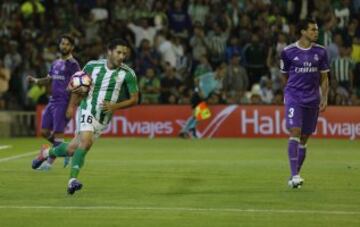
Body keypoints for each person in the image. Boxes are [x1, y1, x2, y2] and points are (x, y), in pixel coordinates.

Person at [31, 39, 139, 195]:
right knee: (86, 143)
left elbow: (134, 99)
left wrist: (114, 107)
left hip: (103, 119)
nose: (122, 56)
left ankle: (46, 153)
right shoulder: (92, 66)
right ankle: (72, 181)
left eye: (124, 54)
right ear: (109, 51)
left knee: (71, 149)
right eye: (119, 52)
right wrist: (71, 105)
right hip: (87, 109)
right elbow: (75, 85)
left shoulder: (128, 73)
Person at [280, 19, 329, 188]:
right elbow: (285, 76)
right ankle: (294, 176)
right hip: (294, 97)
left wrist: (324, 97)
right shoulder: (288, 52)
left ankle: (295, 174)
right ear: (303, 31)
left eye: (317, 29)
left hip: (312, 98)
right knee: (295, 130)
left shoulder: (321, 52)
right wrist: (289, 93)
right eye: (313, 29)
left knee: (305, 137)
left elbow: (324, 78)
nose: (316, 32)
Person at [28, 34, 80, 170]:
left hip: (63, 102)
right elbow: (49, 78)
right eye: (62, 43)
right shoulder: (56, 62)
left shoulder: (73, 65)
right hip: (52, 101)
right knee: (44, 131)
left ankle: (48, 164)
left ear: (72, 47)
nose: (64, 46)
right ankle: (65, 149)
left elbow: (77, 86)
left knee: (58, 134)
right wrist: (36, 81)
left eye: (67, 44)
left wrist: (70, 107)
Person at [179, 62, 227, 138]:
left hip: (204, 98)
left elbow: (215, 90)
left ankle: (189, 131)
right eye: (223, 72)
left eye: (225, 73)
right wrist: (200, 90)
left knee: (200, 116)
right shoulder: (209, 76)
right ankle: (184, 131)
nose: (223, 74)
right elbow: (196, 80)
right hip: (197, 95)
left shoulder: (219, 81)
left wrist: (215, 96)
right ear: (218, 70)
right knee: (196, 115)